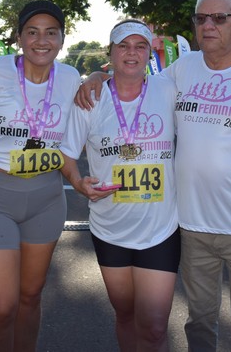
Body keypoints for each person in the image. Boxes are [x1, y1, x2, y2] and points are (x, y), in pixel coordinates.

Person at [77, 0, 231, 351]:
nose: (208, 25)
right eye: (201, 18)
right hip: (192, 226)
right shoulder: (181, 71)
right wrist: (97, 77)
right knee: (199, 323)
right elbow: (133, 80)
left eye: (219, 17)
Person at [0, 0, 81, 352]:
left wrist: (101, 76)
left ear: (61, 38)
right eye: (32, 32)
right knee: (1, 305)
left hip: (46, 198)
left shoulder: (71, 77)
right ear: (19, 37)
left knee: (30, 296)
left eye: (51, 33)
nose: (41, 41)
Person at [60, 20, 179, 351]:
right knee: (125, 314)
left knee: (154, 326)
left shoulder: (167, 89)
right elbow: (67, 157)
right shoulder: (91, 99)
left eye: (140, 46)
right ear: (110, 53)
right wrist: (78, 183)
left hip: (160, 229)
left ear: (148, 53)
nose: (132, 53)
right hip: (110, 227)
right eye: (123, 46)